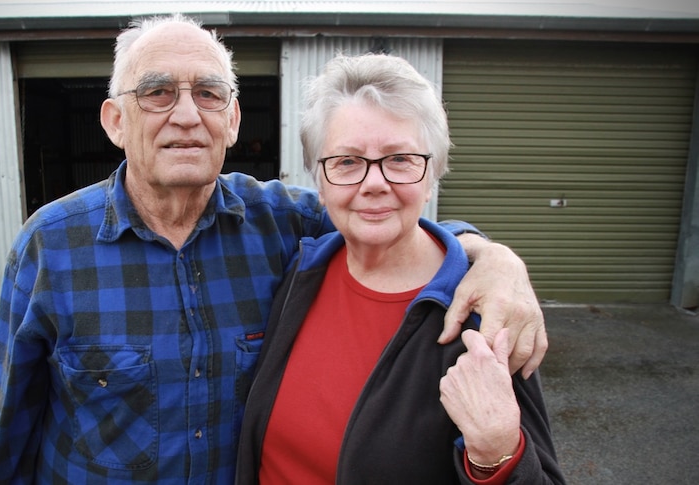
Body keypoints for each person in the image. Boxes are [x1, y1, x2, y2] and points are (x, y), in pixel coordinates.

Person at [0, 14, 548, 484]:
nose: (186, 114)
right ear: (115, 121)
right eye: (156, 92)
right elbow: (10, 434)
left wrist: (493, 257)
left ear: (232, 119)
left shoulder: (283, 224)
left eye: (208, 93)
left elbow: (384, 208)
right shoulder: (51, 246)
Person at [235, 53, 564, 484]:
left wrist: (497, 455)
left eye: (400, 159)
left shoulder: (481, 315)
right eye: (347, 161)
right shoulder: (301, 271)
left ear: (433, 174)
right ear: (319, 178)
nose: (374, 183)